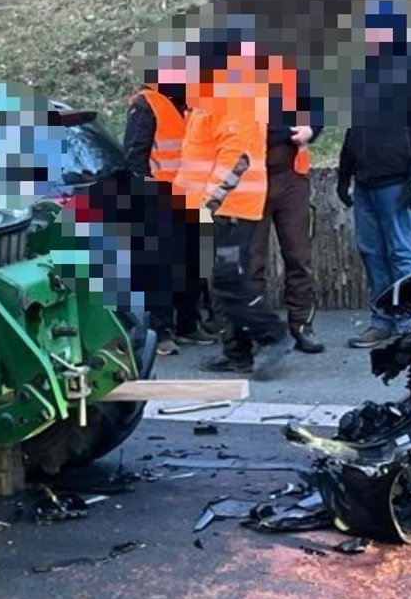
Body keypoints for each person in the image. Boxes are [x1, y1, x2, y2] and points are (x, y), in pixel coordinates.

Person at [177, 27, 290, 379]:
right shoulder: (214, 94)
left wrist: (209, 203)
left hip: (230, 208)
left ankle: (273, 336)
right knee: (220, 280)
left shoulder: (233, 94)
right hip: (216, 206)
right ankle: (237, 351)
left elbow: (236, 157)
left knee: (227, 279)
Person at [338, 0, 411, 349]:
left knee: (402, 254)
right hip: (365, 181)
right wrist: (344, 173)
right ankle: (382, 320)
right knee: (371, 252)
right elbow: (355, 129)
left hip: (397, 180)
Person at [122, 50, 215, 354]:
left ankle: (189, 324)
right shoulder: (146, 104)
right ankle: (162, 332)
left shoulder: (190, 104)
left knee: (192, 266)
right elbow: (135, 157)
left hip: (191, 196)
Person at [253, 49, 324, 354]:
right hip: (251, 178)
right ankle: (256, 333)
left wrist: (311, 128)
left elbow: (318, 109)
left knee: (298, 257)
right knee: (252, 263)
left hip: (291, 176)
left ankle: (302, 327)